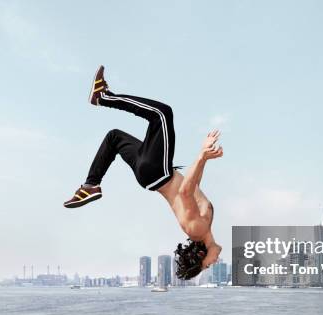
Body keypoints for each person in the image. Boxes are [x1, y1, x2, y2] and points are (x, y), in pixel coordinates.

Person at [64, 66, 223, 279]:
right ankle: (90, 186)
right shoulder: (203, 227)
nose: (213, 264)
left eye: (206, 266)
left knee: (162, 114)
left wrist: (202, 156)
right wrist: (204, 158)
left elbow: (185, 192)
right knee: (114, 138)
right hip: (149, 176)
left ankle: (102, 97)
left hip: (158, 172)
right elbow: (194, 188)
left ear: (201, 254)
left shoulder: (197, 230)